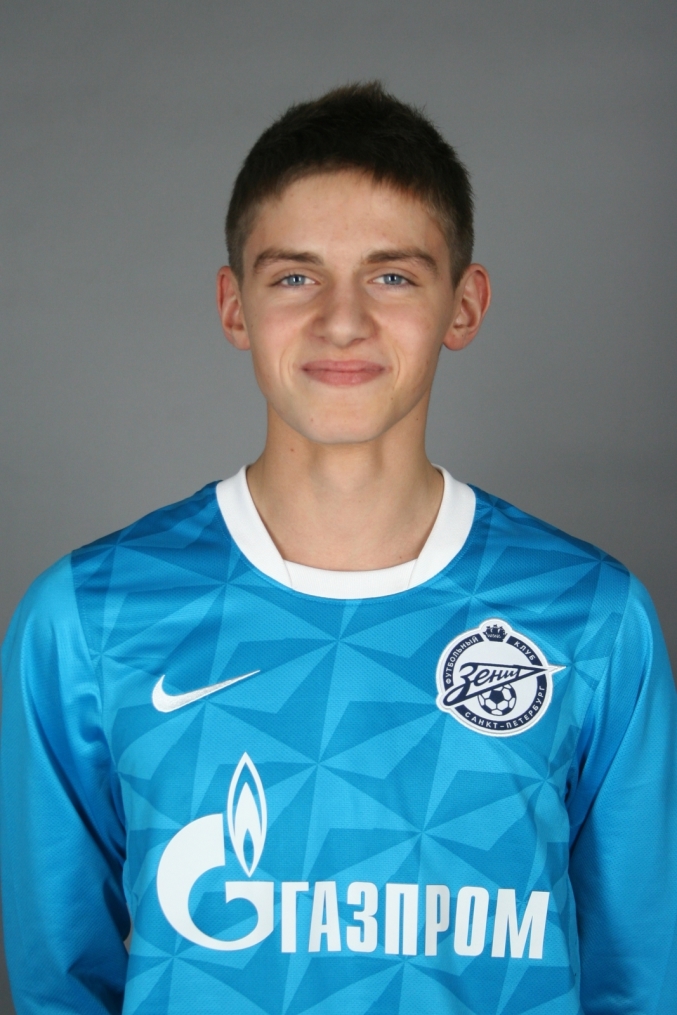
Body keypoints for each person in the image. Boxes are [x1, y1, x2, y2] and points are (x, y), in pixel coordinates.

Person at [1, 82, 675, 1015]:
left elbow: (640, 982)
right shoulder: (88, 618)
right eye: (294, 277)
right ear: (234, 306)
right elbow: (56, 987)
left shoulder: (590, 618)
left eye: (391, 276)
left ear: (463, 305)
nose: (342, 319)